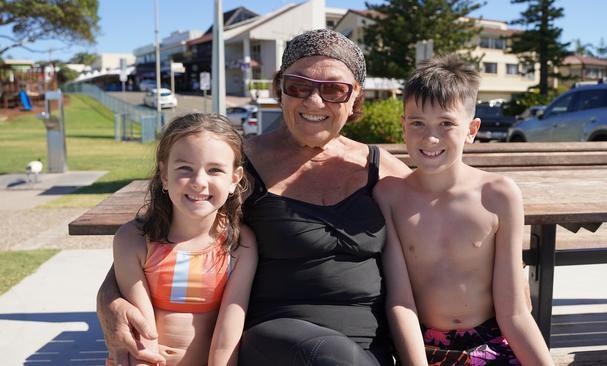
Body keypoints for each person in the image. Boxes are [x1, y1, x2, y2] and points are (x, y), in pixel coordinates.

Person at [96, 29, 411, 365]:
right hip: (278, 342)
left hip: (367, 351)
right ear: (279, 89)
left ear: (355, 98)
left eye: (334, 89)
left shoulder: (384, 171)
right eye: (299, 86)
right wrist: (110, 305)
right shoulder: (235, 165)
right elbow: (152, 241)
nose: (314, 101)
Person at [375, 55, 554, 365]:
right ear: (403, 126)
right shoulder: (390, 196)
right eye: (417, 122)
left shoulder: (498, 195)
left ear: (471, 129)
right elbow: (401, 303)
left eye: (446, 123)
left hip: (491, 341)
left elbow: (513, 311)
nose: (430, 137)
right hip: (420, 343)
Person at [108, 113, 257, 365]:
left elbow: (226, 337)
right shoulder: (133, 241)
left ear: (235, 178)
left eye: (215, 170)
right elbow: (144, 332)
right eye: (185, 168)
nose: (199, 181)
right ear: (164, 174)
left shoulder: (240, 245)